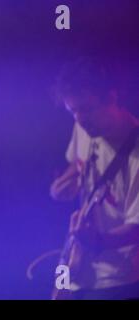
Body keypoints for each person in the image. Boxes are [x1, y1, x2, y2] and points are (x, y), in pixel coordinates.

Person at [50, 57, 139, 299]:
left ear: (111, 97)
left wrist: (98, 241)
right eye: (73, 111)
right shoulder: (83, 126)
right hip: (79, 270)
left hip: (118, 281)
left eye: (86, 109)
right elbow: (76, 165)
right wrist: (62, 185)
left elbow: (137, 226)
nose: (79, 118)